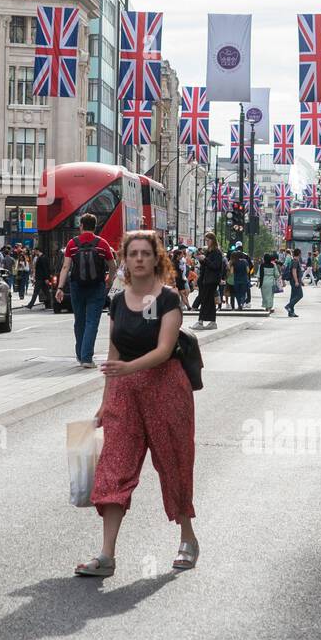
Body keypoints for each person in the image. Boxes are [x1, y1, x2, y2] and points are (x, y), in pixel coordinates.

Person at [75, 231, 197, 577]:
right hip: (125, 394)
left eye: (146, 253)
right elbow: (114, 353)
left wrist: (128, 368)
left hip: (166, 389)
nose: (140, 259)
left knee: (173, 463)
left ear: (156, 258)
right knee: (114, 466)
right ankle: (106, 555)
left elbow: (163, 349)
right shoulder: (117, 301)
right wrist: (105, 400)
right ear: (125, 260)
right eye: (133, 254)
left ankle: (187, 537)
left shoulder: (168, 299)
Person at [55, 214, 116, 368]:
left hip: (77, 286)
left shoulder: (72, 243)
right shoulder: (102, 244)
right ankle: (87, 358)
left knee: (79, 321)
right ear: (94, 226)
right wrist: (109, 280)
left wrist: (60, 288)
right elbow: (113, 266)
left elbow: (65, 267)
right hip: (97, 287)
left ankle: (81, 355)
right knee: (92, 322)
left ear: (81, 226)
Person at [194, 233, 224, 328]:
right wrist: (201, 260)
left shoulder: (217, 252)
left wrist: (205, 260)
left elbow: (215, 266)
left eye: (208, 240)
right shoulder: (209, 251)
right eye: (206, 240)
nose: (207, 242)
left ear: (213, 240)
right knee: (209, 301)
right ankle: (212, 321)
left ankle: (200, 321)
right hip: (206, 279)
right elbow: (206, 266)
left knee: (205, 300)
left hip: (212, 280)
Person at [230, 243, 251, 311]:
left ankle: (239, 305)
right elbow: (248, 271)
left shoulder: (234, 262)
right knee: (243, 293)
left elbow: (231, 272)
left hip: (236, 279)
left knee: (237, 293)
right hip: (244, 279)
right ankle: (242, 303)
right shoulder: (245, 261)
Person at [285, 248, 305, 317]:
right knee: (300, 295)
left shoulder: (294, 260)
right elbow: (294, 272)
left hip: (295, 280)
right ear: (299, 254)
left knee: (293, 296)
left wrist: (301, 281)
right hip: (294, 281)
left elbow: (297, 272)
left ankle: (291, 312)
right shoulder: (295, 261)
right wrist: (297, 281)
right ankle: (288, 306)